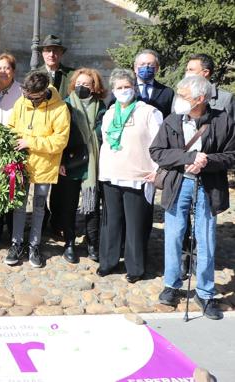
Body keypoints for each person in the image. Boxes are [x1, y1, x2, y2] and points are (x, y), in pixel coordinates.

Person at [151, 75, 235, 320]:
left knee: (206, 239)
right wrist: (188, 158)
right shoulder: (172, 120)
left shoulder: (223, 120)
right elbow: (157, 152)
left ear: (199, 99)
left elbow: (231, 155)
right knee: (174, 235)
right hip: (179, 185)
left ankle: (205, 292)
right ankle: (172, 284)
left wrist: (207, 161)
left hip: (208, 188)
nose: (178, 99)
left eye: (183, 95)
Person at [97, 68, 162, 283]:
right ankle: (108, 261)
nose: (123, 90)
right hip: (111, 174)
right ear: (113, 91)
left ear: (134, 88)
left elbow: (158, 144)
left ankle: (135, 267)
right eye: (119, 87)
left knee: (135, 224)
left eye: (127, 87)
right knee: (111, 222)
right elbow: (106, 142)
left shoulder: (148, 112)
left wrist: (156, 171)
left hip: (139, 175)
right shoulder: (109, 113)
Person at [5, 71, 70, 266]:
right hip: (22, 165)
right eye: (27, 95)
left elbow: (60, 141)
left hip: (45, 166)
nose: (29, 100)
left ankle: (34, 245)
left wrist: (30, 142)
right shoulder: (21, 102)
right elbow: (11, 127)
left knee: (39, 207)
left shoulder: (60, 108)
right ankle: (16, 243)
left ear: (44, 92)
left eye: (34, 97)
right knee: (19, 206)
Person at [58, 68, 107, 263]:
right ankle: (69, 243)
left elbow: (101, 134)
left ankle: (92, 243)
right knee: (68, 206)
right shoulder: (66, 105)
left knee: (92, 206)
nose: (82, 87)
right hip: (71, 162)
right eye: (79, 83)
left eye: (87, 84)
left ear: (94, 87)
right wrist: (61, 161)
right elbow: (60, 134)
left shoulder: (101, 107)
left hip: (93, 164)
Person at [37, 34, 75, 237]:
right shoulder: (34, 74)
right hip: (42, 136)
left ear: (61, 54)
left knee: (61, 183)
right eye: (48, 50)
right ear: (42, 53)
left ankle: (58, 222)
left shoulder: (71, 75)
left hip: (63, 134)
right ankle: (40, 219)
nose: (52, 54)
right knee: (41, 181)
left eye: (56, 50)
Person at [0, 53, 23, 245]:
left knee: (12, 189)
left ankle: (13, 232)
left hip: (12, 148)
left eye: (6, 68)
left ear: (13, 71)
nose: (3, 72)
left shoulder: (21, 92)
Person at [186, 53, 235, 121]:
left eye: (191, 70)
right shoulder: (182, 97)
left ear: (205, 72)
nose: (187, 73)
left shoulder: (225, 99)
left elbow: (231, 128)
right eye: (187, 70)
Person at [133, 49, 174, 118]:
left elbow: (170, 119)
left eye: (150, 64)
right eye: (142, 64)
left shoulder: (167, 93)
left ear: (157, 68)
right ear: (135, 68)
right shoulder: (125, 89)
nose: (146, 67)